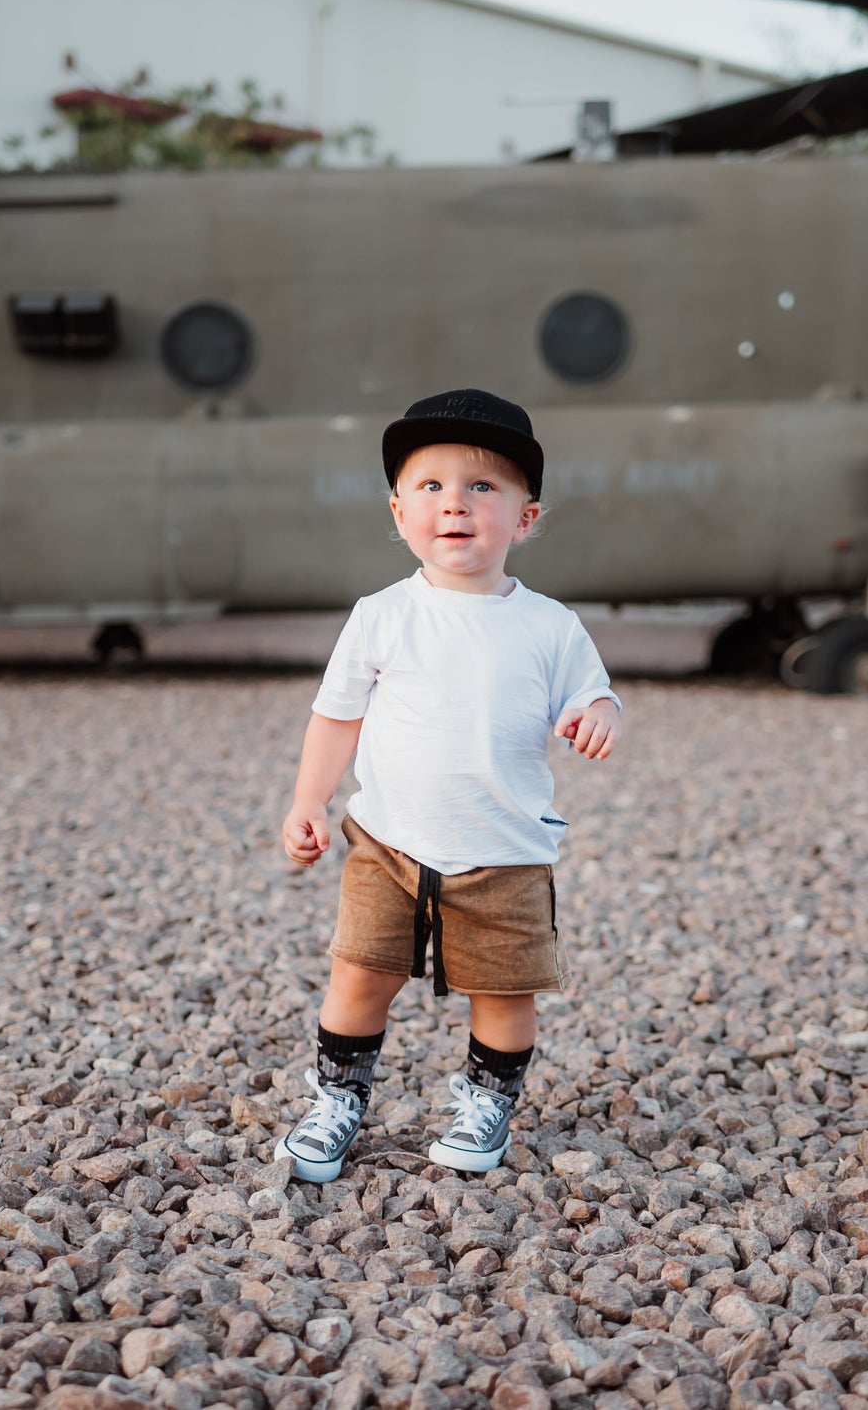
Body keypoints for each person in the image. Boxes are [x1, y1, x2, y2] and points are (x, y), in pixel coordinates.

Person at [276, 387, 621, 1182]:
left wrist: (600, 712)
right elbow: (336, 716)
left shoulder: (549, 625)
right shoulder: (381, 614)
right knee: (360, 973)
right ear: (398, 513)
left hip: (502, 852)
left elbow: (589, 693)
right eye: (430, 486)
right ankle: (336, 1098)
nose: (454, 504)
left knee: (502, 994)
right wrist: (308, 800)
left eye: (481, 487)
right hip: (387, 841)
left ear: (525, 518)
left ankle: (486, 1102)